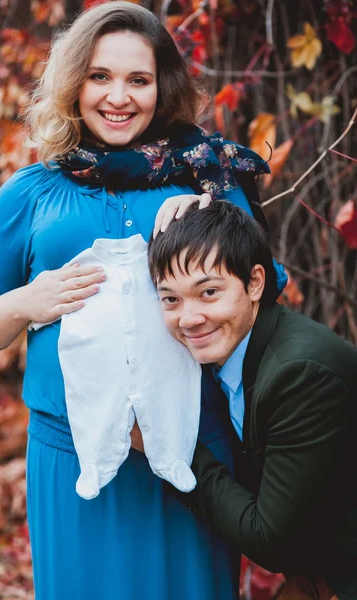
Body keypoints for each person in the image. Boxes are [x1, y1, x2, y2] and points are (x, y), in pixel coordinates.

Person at [0, 3, 280, 598]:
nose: (119, 96)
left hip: (195, 451)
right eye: (100, 76)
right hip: (71, 457)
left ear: (164, 87)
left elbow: (268, 285)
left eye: (139, 79)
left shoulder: (210, 182)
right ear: (73, 83)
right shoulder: (30, 193)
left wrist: (213, 232)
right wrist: (28, 303)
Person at [147, 200, 357, 600]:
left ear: (255, 283)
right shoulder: (230, 353)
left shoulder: (300, 374)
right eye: (171, 299)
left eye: (208, 292)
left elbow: (268, 540)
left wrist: (170, 447)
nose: (189, 318)